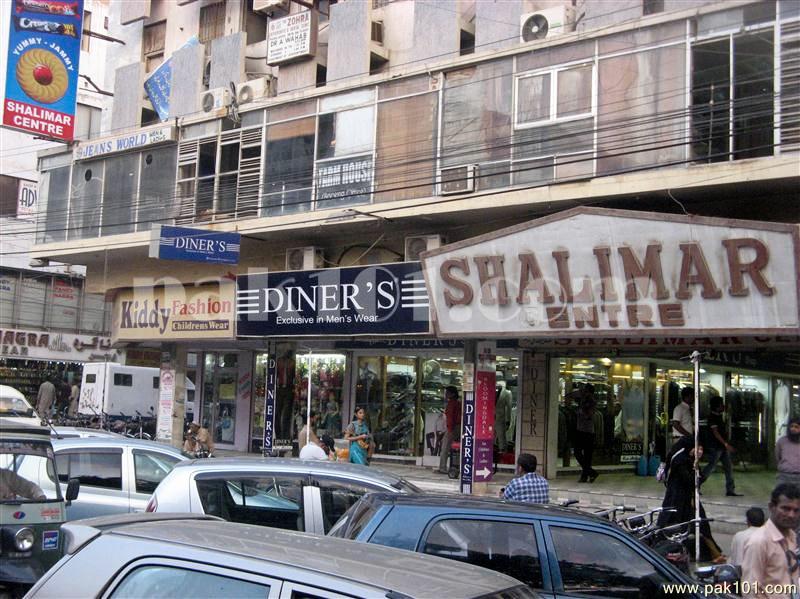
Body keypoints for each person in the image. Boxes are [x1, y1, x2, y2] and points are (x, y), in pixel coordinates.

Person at [657, 435, 725, 563]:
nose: (699, 451)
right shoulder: (680, 460)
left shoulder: (687, 458)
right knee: (674, 527)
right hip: (678, 501)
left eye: (701, 448)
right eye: (697, 447)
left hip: (688, 499)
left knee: (701, 525)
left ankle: (714, 553)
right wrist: (699, 473)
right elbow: (690, 481)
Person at [740, 483, 800, 599]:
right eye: (786, 509)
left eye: (796, 510)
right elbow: (750, 591)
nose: (791, 515)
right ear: (771, 507)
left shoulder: (791, 536)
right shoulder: (759, 541)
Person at [701, 396, 742, 496]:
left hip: (721, 447)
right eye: (721, 405)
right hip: (715, 446)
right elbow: (716, 433)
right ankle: (696, 484)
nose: (723, 406)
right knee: (711, 467)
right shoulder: (712, 418)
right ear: (716, 406)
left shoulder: (719, 416)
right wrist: (726, 444)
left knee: (728, 467)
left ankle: (730, 489)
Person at [573, 384, 599, 483]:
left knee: (586, 455)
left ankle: (586, 475)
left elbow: (589, 415)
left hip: (587, 432)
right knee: (578, 453)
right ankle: (590, 473)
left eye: (585, 391)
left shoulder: (591, 402)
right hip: (580, 430)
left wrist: (581, 411)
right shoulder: (582, 401)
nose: (584, 392)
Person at [437, 386, 461, 474]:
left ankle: (442, 468)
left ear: (452, 394)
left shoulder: (452, 403)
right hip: (457, 427)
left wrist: (449, 429)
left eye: (447, 392)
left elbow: (450, 418)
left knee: (445, 447)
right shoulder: (458, 403)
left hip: (452, 427)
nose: (446, 394)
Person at [775, 418, 800, 487]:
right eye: (791, 426)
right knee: (780, 497)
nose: (793, 429)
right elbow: (778, 457)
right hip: (784, 476)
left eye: (796, 427)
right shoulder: (781, 441)